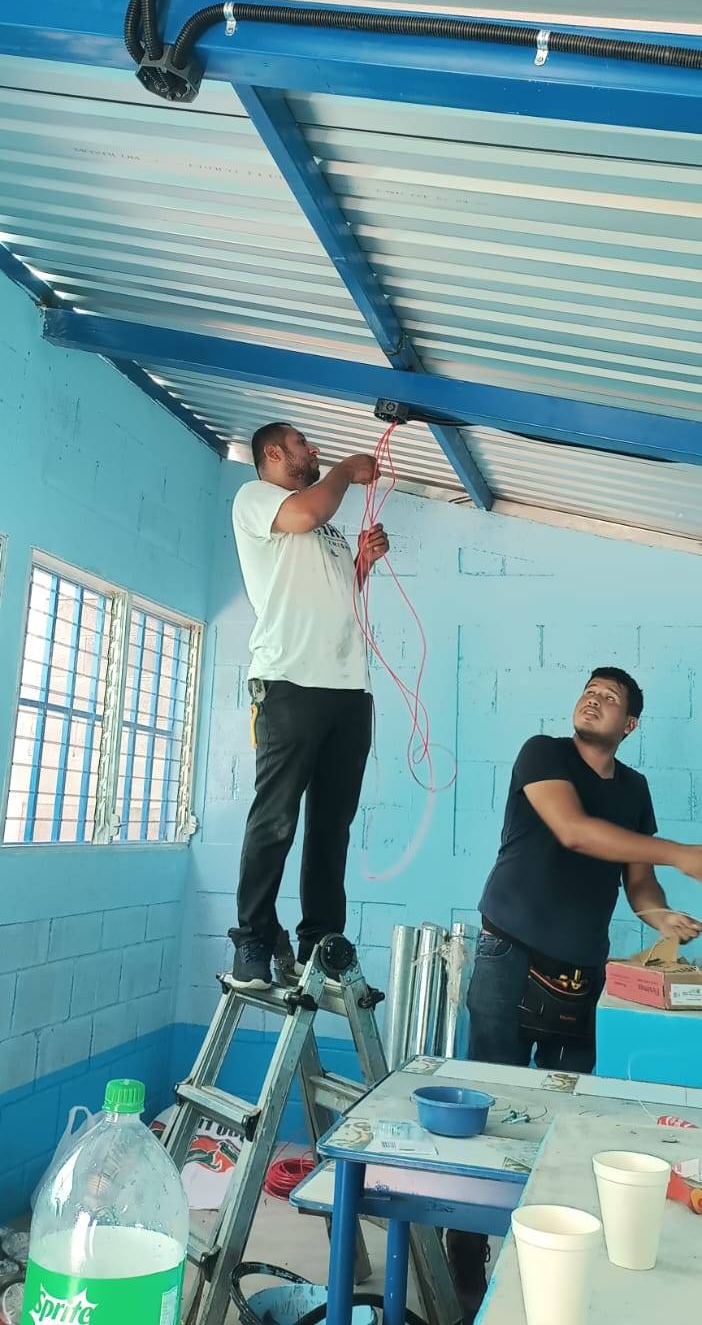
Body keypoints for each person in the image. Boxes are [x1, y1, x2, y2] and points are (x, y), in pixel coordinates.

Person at [448, 666, 702, 1321]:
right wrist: (681, 852)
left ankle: (541, 1248)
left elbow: (637, 881)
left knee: (565, 1116)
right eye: (590, 690)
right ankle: (465, 1250)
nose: (594, 699)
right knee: (490, 1105)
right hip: (509, 953)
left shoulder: (635, 790)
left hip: (580, 972)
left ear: (630, 725)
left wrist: (661, 916)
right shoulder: (545, 754)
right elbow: (573, 829)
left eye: (610, 698)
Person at [229, 421, 388, 989]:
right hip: (288, 683)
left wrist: (362, 562)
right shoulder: (256, 499)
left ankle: (320, 942)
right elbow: (305, 513)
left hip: (348, 690)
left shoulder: (328, 530)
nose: (313, 449)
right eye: (302, 444)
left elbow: (339, 597)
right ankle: (252, 939)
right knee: (276, 818)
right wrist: (344, 469)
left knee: (331, 826)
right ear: (273, 453)